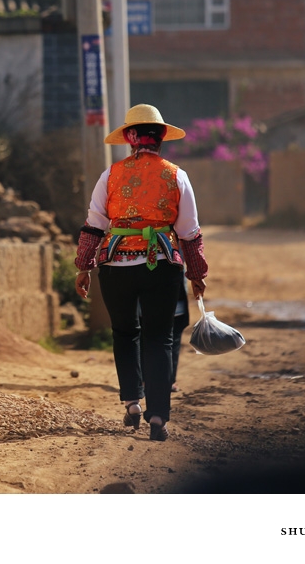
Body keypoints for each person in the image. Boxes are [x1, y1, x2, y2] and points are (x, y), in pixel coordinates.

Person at [73, 104, 209, 441]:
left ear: (130, 139)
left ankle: (132, 402)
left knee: (124, 332)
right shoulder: (176, 175)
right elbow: (189, 230)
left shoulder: (111, 175)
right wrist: (197, 272)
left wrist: (84, 266)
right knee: (159, 336)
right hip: (161, 265)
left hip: (115, 266)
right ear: (161, 138)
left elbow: (95, 223)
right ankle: (158, 416)